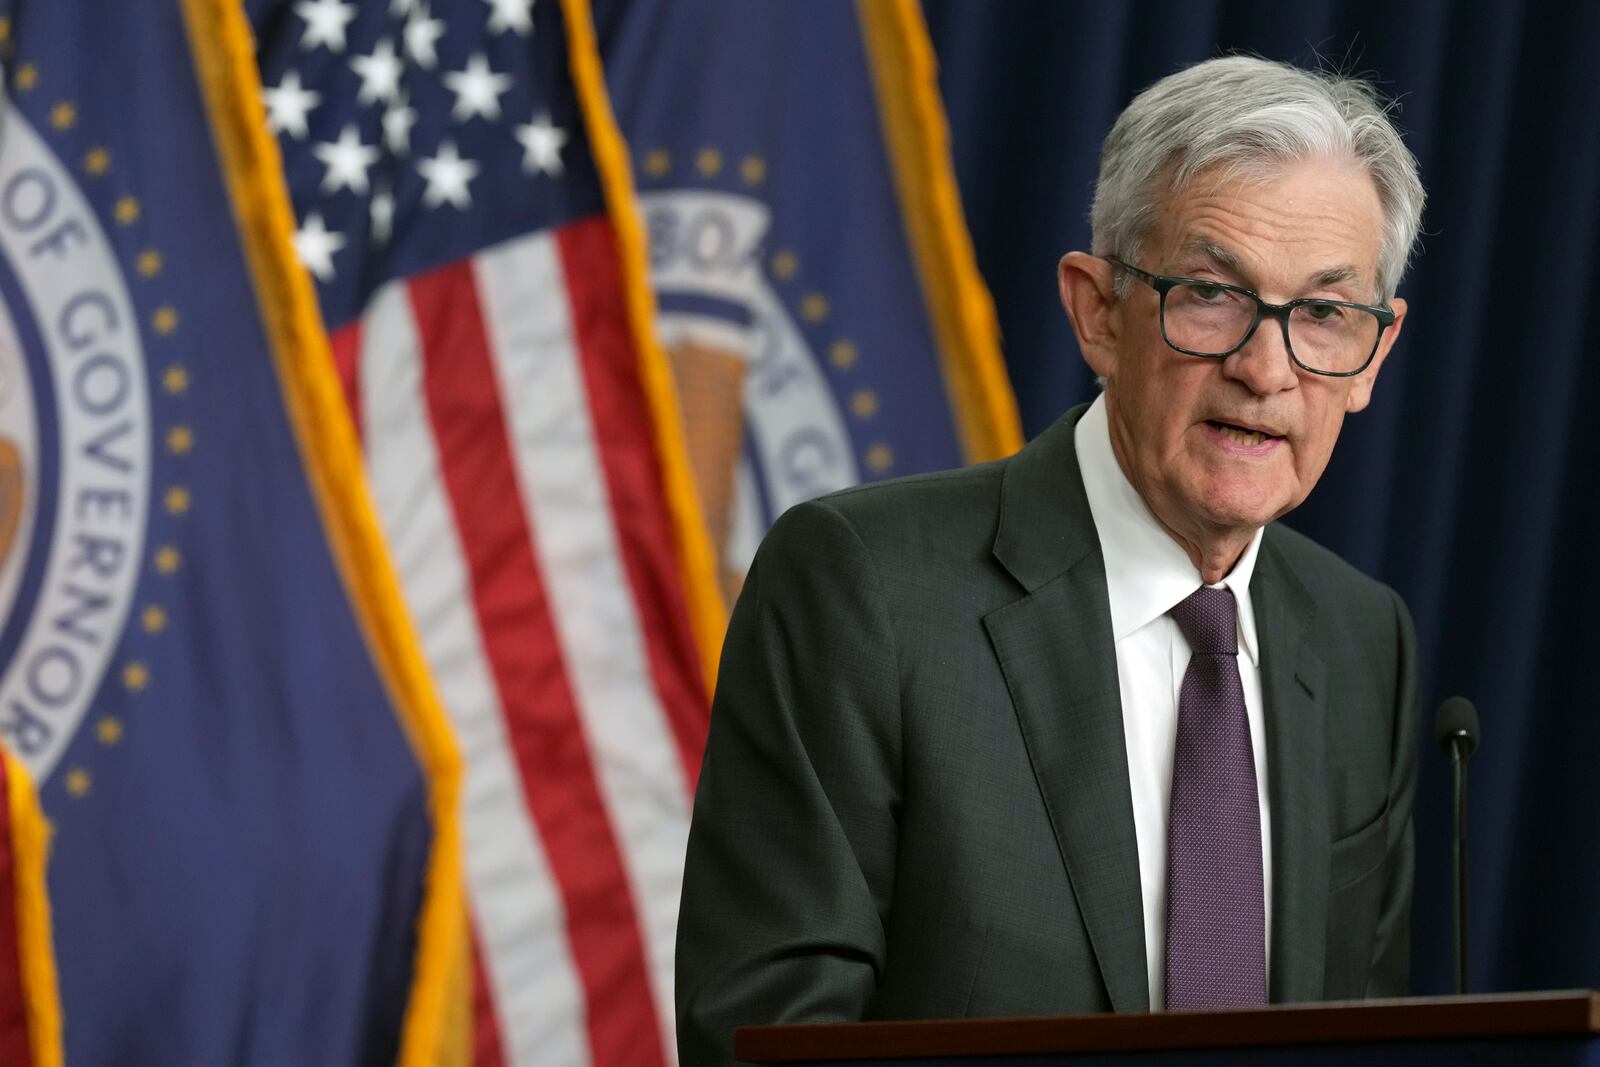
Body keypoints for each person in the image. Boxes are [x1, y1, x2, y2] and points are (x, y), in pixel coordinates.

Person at [676, 55, 1424, 1065]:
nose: (1265, 368)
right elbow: (766, 1038)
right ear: (1097, 312)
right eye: (1210, 294)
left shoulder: (1360, 637)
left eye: (1326, 314)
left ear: (1373, 356)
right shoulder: (863, 585)